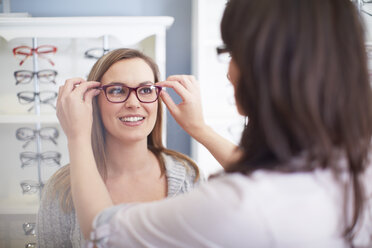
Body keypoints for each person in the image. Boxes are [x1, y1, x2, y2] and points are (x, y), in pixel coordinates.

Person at [56, 0, 372, 247]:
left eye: (231, 53)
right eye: (116, 90)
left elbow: (101, 232)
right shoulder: (356, 166)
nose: (227, 71)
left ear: (263, 67)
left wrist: (78, 138)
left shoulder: (224, 199)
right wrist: (201, 129)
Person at [36, 48, 204, 247]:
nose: (133, 103)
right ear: (94, 101)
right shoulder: (62, 189)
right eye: (117, 90)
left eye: (145, 90)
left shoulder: (188, 176)